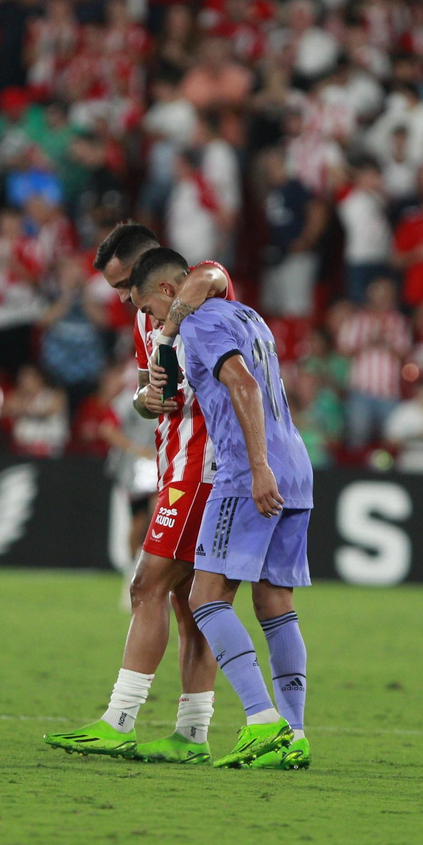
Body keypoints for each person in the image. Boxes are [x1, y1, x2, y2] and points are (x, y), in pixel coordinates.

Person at [43, 222, 232, 764]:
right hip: (177, 463)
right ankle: (192, 734)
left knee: (145, 585)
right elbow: (154, 397)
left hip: (198, 471)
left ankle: (118, 720)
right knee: (189, 603)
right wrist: (147, 401)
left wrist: (171, 324)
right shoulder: (143, 320)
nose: (125, 300)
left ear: (152, 267)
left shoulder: (196, 288)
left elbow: (213, 276)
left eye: (126, 284)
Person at [128, 247, 314, 770]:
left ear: (168, 292)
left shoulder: (199, 324)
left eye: (147, 309)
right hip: (297, 466)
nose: (149, 321)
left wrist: (256, 468)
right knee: (276, 604)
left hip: (247, 471)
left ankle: (261, 721)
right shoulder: (247, 315)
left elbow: (244, 385)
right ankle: (295, 733)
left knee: (207, 597)